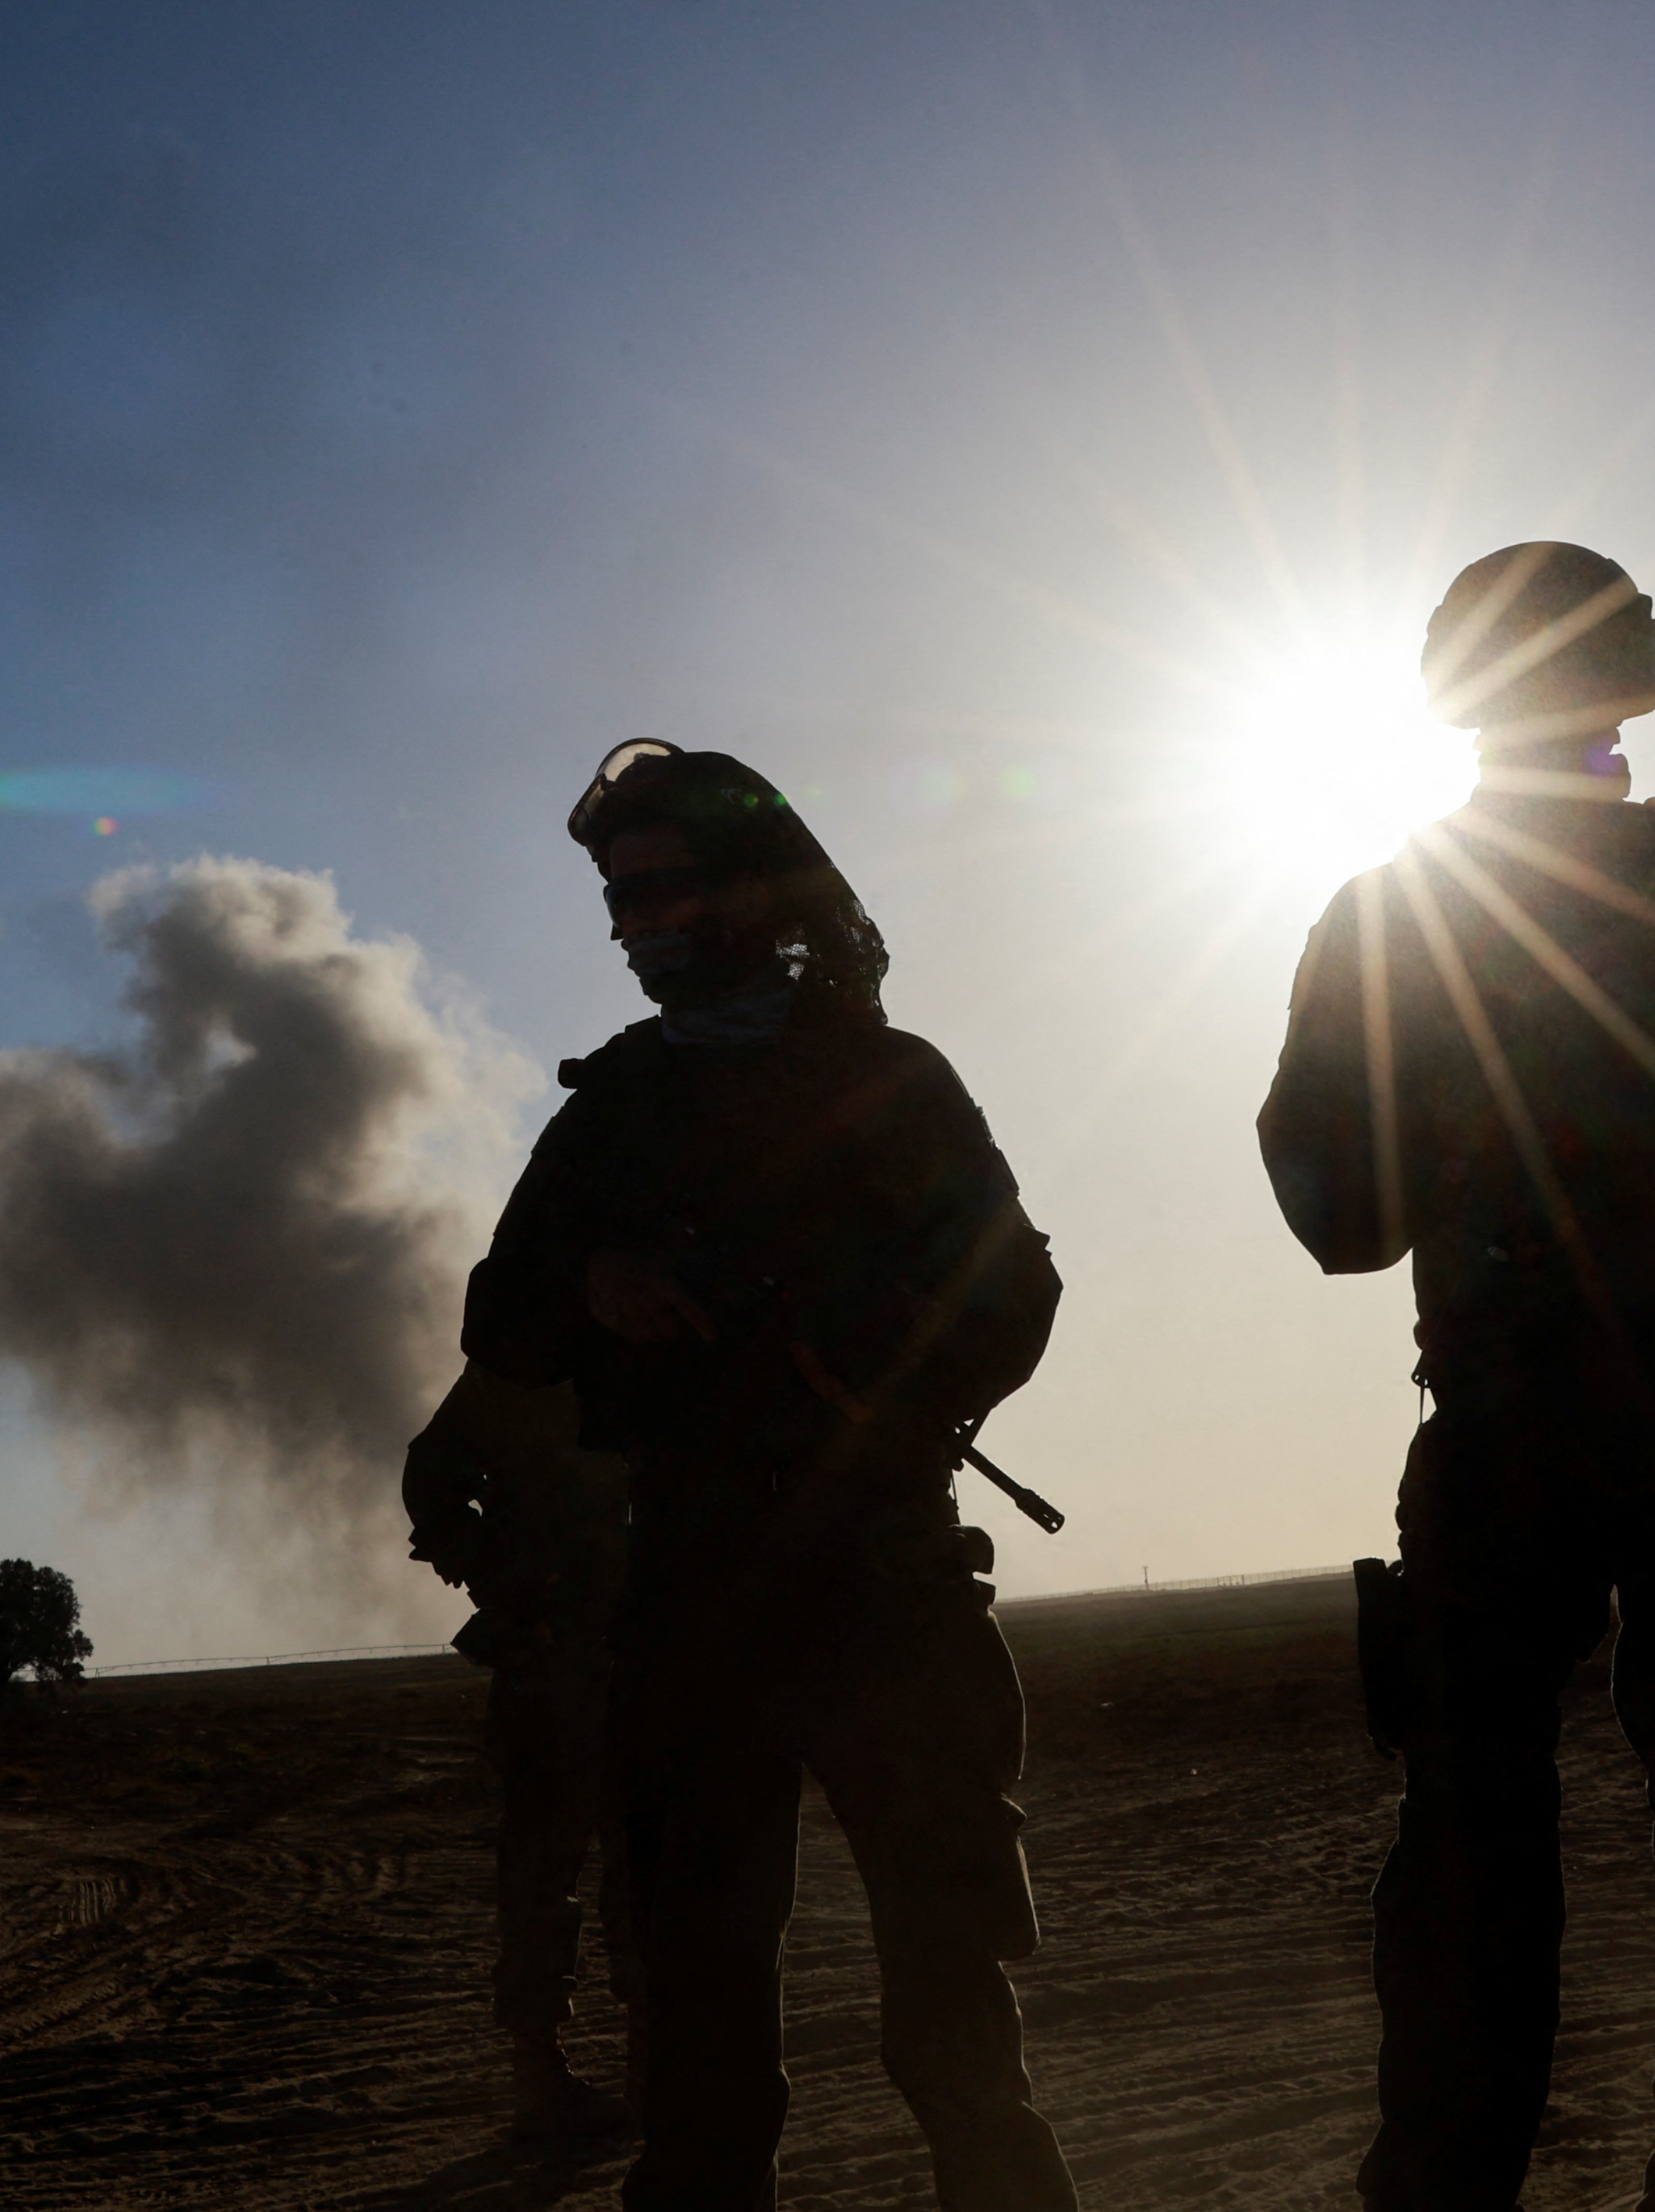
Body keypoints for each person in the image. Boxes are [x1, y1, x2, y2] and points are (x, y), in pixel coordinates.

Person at [1257, 542, 1655, 2212]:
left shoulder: (1437, 906)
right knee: (1551, 1836)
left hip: (1590, 1393)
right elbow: (1338, 1204)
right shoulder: (1646, 890)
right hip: (1594, 1390)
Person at [462, 738, 1084, 2212]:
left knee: (953, 2019)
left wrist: (868, 1359)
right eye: (620, 900)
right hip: (691, 1596)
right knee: (698, 2032)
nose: (636, 926)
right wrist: (599, 1280)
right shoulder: (615, 1104)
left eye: (662, 889)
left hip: (881, 1577)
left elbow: (1017, 1299)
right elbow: (500, 1315)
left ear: (752, 887)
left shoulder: (887, 1079)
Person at [404, 1360, 644, 2147]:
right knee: (546, 1872)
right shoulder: (527, 1352)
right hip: (557, 1653)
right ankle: (543, 2080)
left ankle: (645, 2065)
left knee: (648, 1865)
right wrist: (500, 1572)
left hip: (647, 1646)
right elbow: (431, 1475)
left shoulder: (667, 1328)